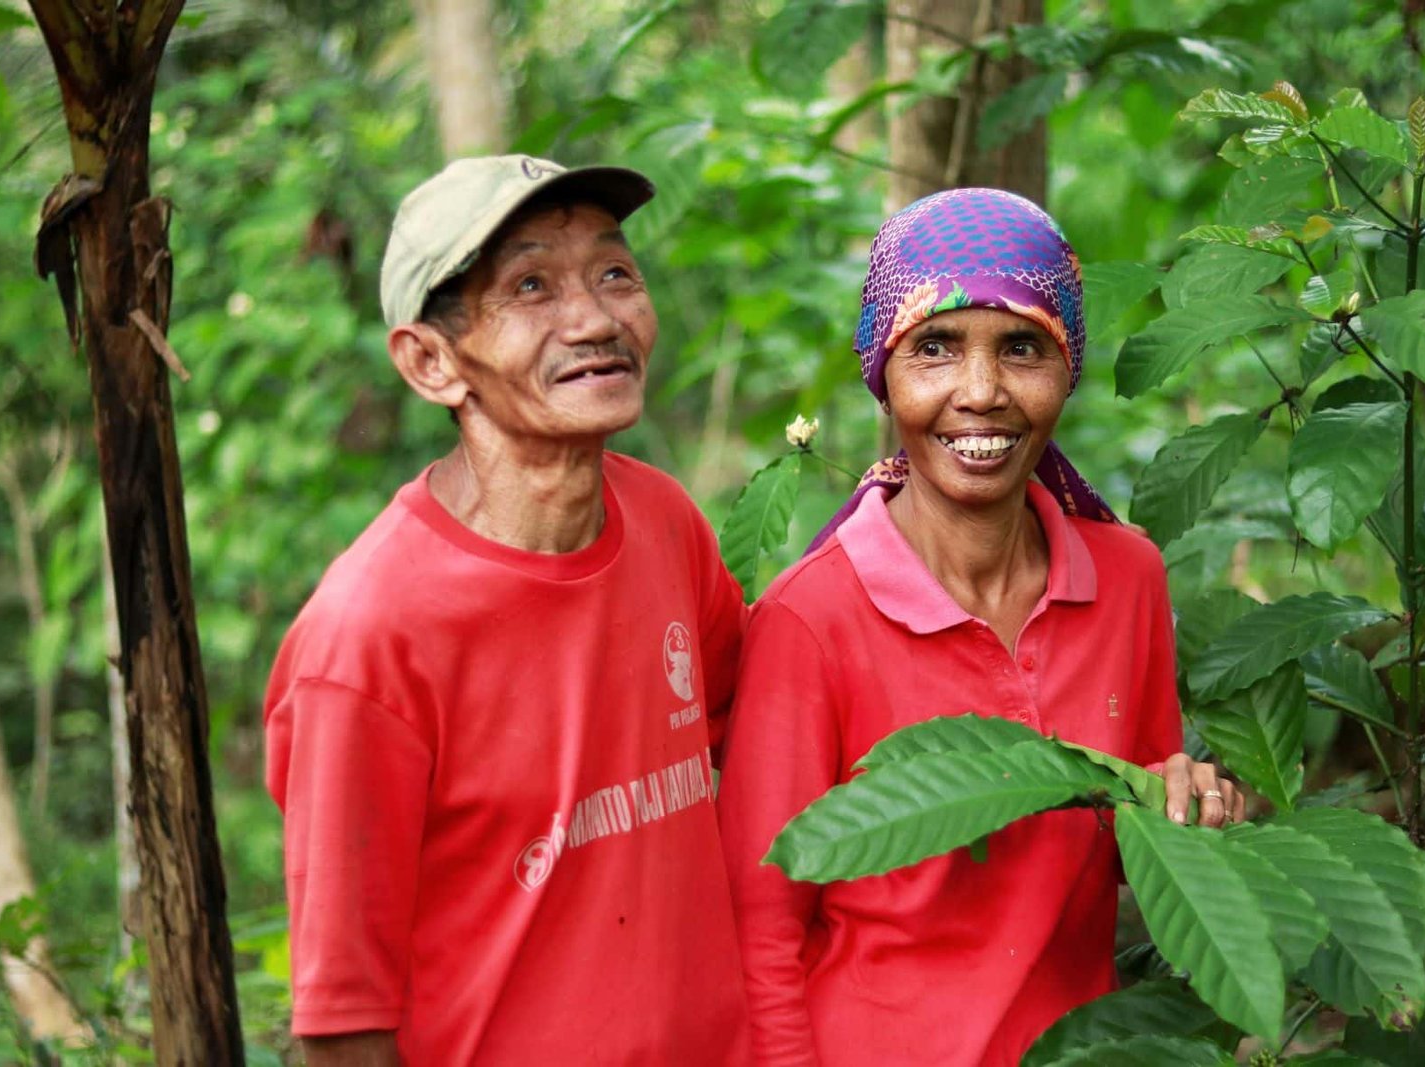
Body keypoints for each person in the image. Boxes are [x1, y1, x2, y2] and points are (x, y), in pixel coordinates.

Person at [715, 188, 1245, 1066]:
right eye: (935, 347)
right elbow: (760, 936)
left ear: (1067, 367)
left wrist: (1199, 800)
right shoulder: (809, 619)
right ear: (883, 371)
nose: (981, 391)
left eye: (1022, 348)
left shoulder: (1128, 577)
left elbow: (1139, 837)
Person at [263, 155, 750, 1065]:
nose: (596, 320)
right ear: (430, 361)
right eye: (531, 287)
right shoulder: (366, 639)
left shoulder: (664, 521)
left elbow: (763, 744)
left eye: (615, 272)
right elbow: (344, 1024)